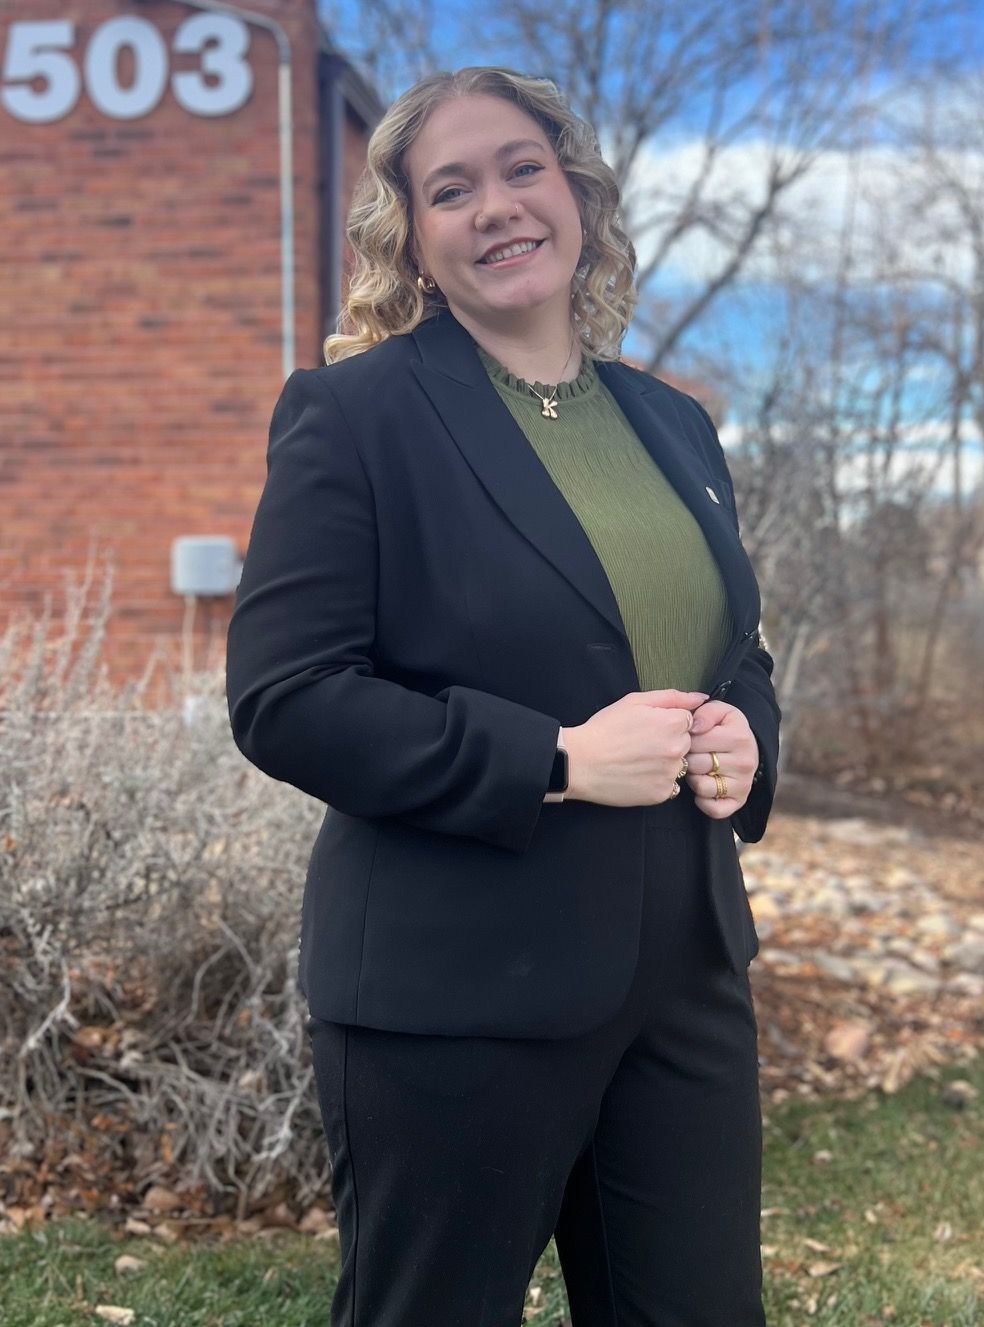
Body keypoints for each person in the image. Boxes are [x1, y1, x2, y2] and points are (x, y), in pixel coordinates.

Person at [226, 64, 780, 1327]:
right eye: (450, 189)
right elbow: (286, 694)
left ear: (576, 192)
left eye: (522, 169)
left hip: (683, 974)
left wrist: (745, 732)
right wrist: (557, 759)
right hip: (451, 988)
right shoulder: (354, 415)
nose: (495, 206)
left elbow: (726, 648)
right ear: (413, 239)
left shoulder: (671, 424)